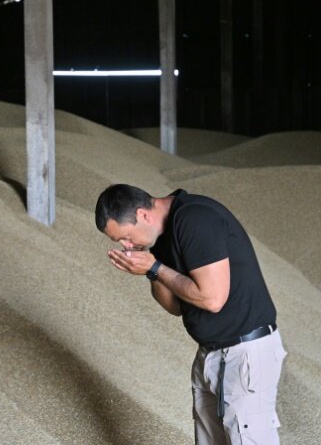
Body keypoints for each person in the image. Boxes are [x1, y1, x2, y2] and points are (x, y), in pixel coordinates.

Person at [95, 184, 286, 445]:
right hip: (210, 355)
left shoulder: (195, 218)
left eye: (126, 237)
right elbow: (174, 306)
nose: (127, 246)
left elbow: (212, 298)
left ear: (143, 215)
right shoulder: (159, 237)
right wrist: (150, 269)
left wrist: (156, 267)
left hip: (245, 354)